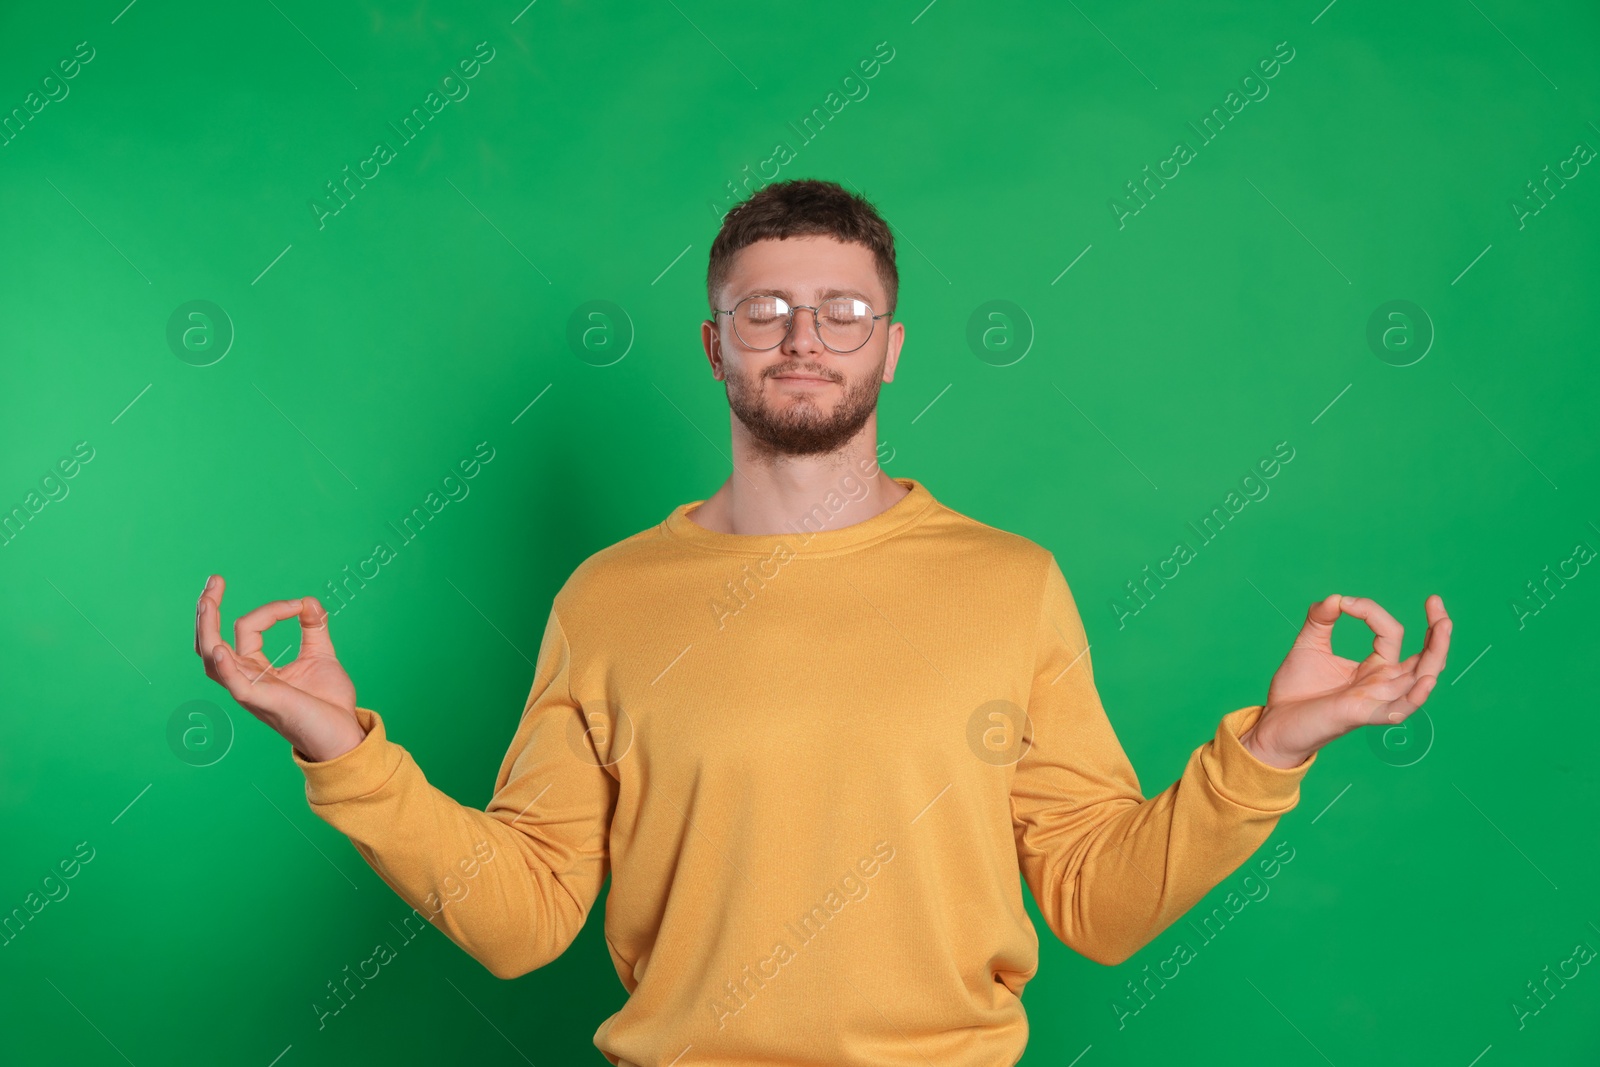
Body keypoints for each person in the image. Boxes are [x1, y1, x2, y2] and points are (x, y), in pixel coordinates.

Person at [192, 178, 1452, 1066]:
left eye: (842, 311)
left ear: (891, 348)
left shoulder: (1009, 582)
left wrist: (1271, 748)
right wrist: (338, 748)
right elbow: (523, 918)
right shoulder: (609, 596)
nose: (804, 336)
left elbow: (1096, 901)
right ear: (714, 344)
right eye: (766, 309)